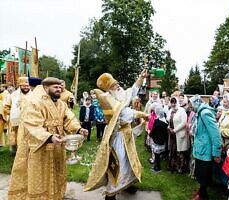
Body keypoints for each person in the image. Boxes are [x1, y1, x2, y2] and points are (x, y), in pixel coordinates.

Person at [8, 77, 88, 200]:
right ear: (46, 88)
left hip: (58, 145)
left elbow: (69, 119)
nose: (59, 89)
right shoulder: (35, 103)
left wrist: (78, 129)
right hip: (41, 148)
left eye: (60, 87)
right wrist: (49, 137)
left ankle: (55, 196)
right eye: (55, 87)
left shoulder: (61, 104)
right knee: (41, 175)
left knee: (57, 172)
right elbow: (32, 124)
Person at [84, 70, 149, 200]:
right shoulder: (108, 100)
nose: (117, 86)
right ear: (109, 89)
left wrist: (141, 78)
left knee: (130, 162)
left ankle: (128, 185)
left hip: (126, 136)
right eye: (113, 85)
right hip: (118, 138)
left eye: (117, 83)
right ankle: (111, 193)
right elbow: (124, 114)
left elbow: (132, 91)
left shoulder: (120, 96)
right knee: (119, 164)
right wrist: (142, 114)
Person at [189, 95, 222, 200]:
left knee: (204, 174)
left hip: (205, 150)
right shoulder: (199, 112)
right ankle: (201, 192)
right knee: (200, 173)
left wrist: (216, 153)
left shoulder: (204, 113)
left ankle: (203, 196)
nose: (189, 106)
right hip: (201, 149)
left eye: (191, 103)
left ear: (196, 103)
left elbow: (215, 133)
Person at [4, 77, 31, 153]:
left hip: (29, 120)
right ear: (20, 85)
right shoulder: (13, 95)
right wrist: (13, 114)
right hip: (16, 120)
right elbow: (6, 107)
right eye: (24, 86)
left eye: (27, 85)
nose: (26, 87)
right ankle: (16, 151)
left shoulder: (33, 95)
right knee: (16, 136)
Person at [167, 96, 188, 174]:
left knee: (180, 152)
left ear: (177, 102)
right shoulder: (171, 111)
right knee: (172, 150)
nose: (173, 104)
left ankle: (180, 168)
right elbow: (168, 120)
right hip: (171, 134)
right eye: (172, 102)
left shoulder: (181, 110)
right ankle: (172, 166)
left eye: (174, 102)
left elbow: (184, 122)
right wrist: (169, 127)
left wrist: (175, 130)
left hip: (179, 133)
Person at [149, 104, 168, 173]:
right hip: (162, 140)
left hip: (157, 140)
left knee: (156, 154)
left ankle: (158, 167)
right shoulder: (165, 121)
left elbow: (154, 130)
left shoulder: (157, 121)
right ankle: (156, 166)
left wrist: (150, 134)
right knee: (158, 154)